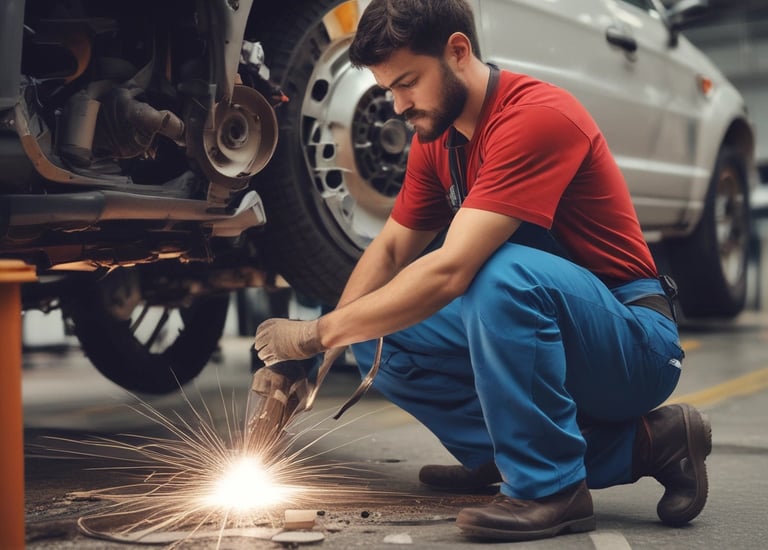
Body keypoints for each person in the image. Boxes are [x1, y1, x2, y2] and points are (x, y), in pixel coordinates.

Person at [254, 0, 711, 541]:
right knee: (378, 338)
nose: (398, 106)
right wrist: (312, 361)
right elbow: (392, 253)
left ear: (458, 51)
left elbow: (449, 271)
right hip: (547, 317)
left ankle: (552, 487)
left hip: (634, 342)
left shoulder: (535, 117)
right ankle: (597, 448)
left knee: (500, 275)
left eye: (407, 83)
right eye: (389, 90)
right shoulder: (437, 139)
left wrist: (311, 333)